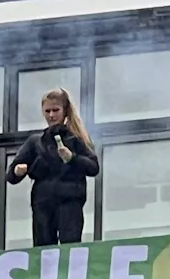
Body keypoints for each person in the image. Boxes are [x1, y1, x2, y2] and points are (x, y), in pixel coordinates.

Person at [6, 88, 100, 245]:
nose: (51, 115)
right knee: (43, 248)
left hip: (69, 201)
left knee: (69, 244)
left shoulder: (76, 138)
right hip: (43, 204)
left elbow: (93, 167)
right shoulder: (35, 142)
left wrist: (72, 158)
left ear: (65, 111)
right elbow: (10, 175)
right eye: (47, 111)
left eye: (55, 110)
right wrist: (17, 171)